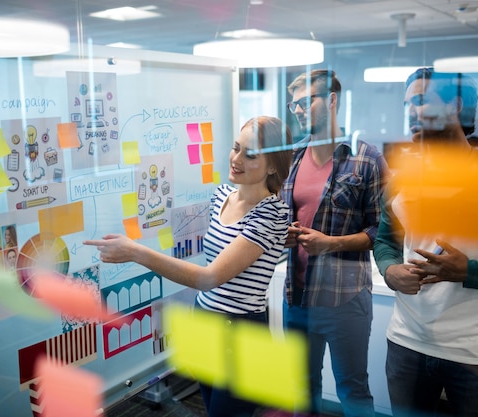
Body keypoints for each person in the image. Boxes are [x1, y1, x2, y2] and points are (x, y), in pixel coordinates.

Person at [84, 116, 293, 417]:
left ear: (273, 166)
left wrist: (136, 252)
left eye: (251, 155)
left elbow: (210, 277)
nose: (236, 159)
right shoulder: (222, 195)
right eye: (236, 148)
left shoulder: (272, 213)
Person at [373, 67, 478, 417]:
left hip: (472, 352)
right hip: (405, 343)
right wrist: (389, 271)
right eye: (407, 104)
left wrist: (470, 272)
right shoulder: (402, 179)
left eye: (420, 101)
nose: (411, 112)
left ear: (455, 106)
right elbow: (384, 240)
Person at [282, 69, 388, 416]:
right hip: (297, 299)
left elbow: (381, 232)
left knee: (353, 391)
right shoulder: (293, 159)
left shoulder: (367, 158)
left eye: (304, 102)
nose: (297, 110)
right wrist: (283, 235)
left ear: (330, 100)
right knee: (301, 389)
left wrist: (330, 243)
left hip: (346, 300)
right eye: (293, 104)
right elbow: (284, 220)